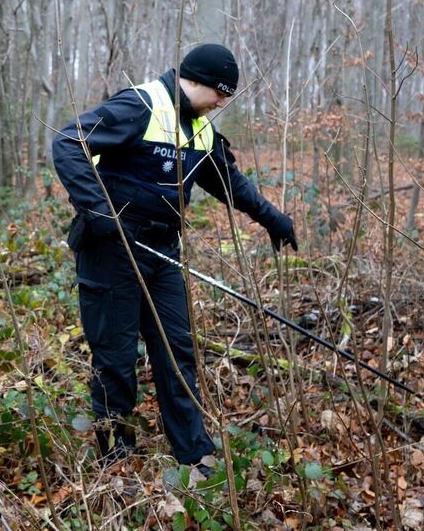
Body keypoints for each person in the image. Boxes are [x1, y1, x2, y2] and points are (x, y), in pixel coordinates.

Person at [52, 43, 297, 472]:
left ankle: (193, 453)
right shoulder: (141, 105)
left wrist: (272, 218)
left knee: (177, 350)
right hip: (111, 249)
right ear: (197, 80)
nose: (222, 102)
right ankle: (116, 460)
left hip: (163, 251)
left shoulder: (200, 129)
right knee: (116, 356)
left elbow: (229, 181)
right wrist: (101, 213)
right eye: (220, 93)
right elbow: (68, 142)